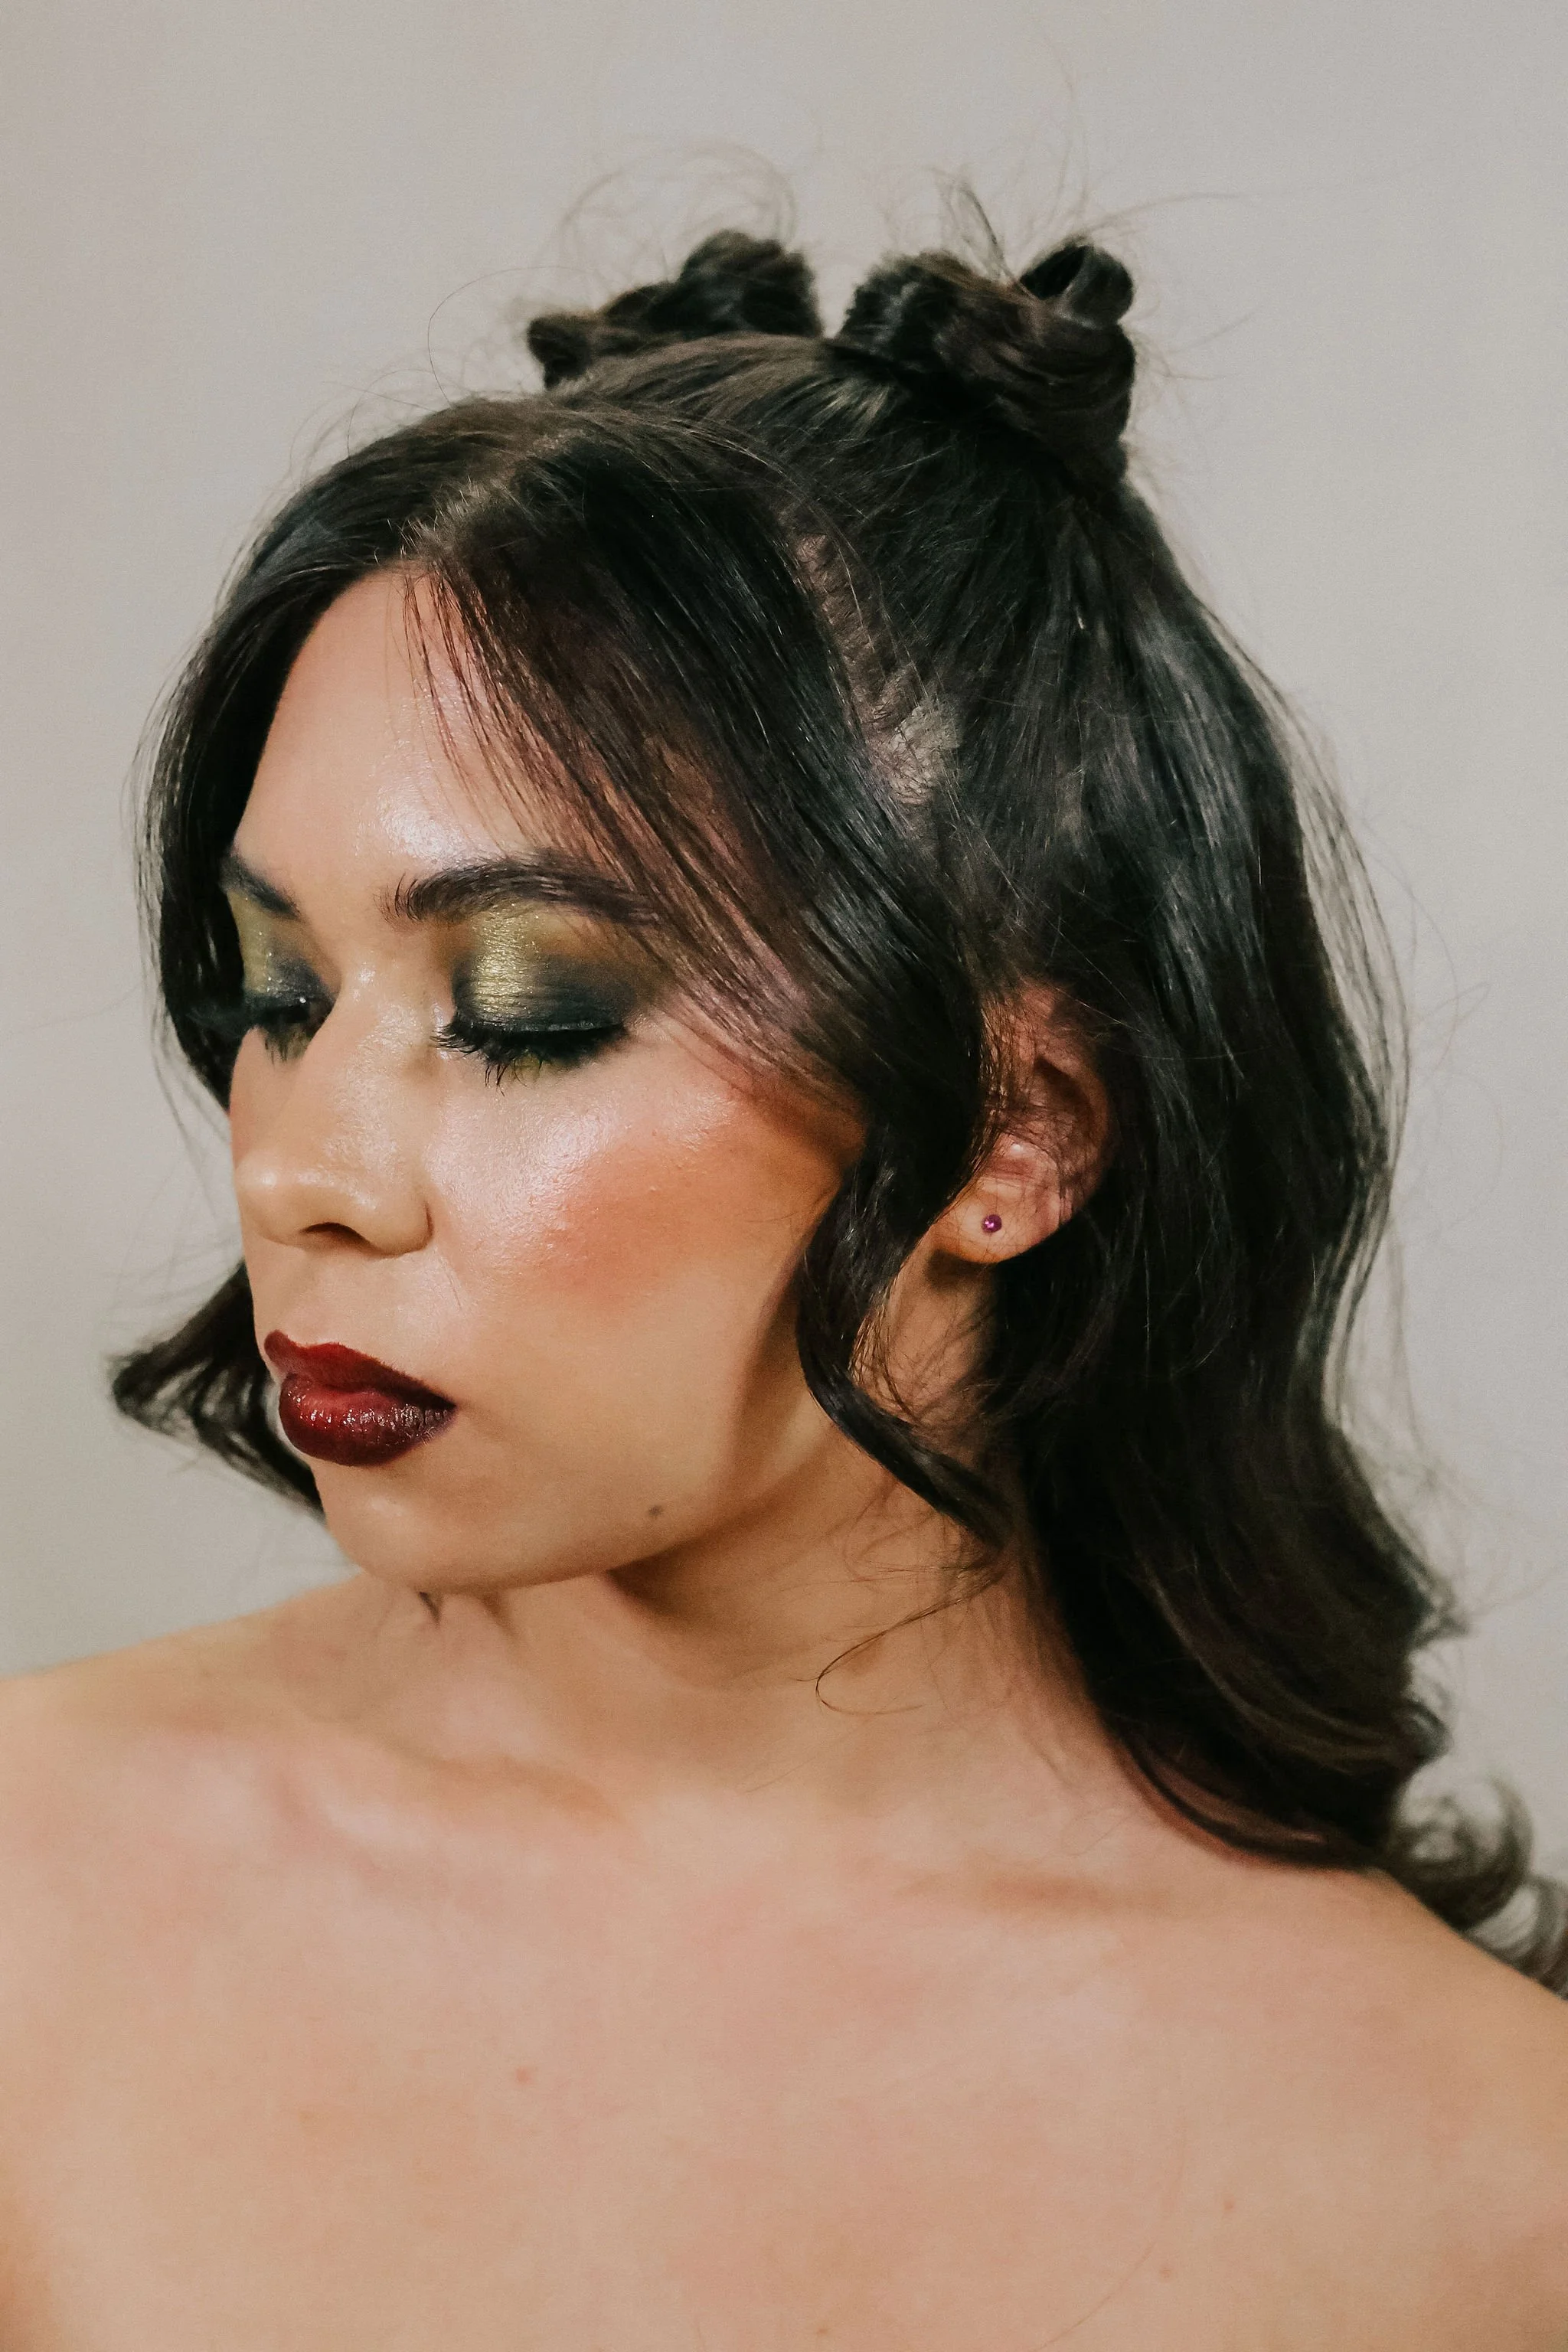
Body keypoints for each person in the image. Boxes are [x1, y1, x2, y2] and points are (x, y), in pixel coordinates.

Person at [0, 224, 1563, 2349]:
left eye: (527, 1005)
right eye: (281, 988)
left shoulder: (1484, 2198)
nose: (299, 1166)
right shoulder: (37, 1895)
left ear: (1020, 1134)